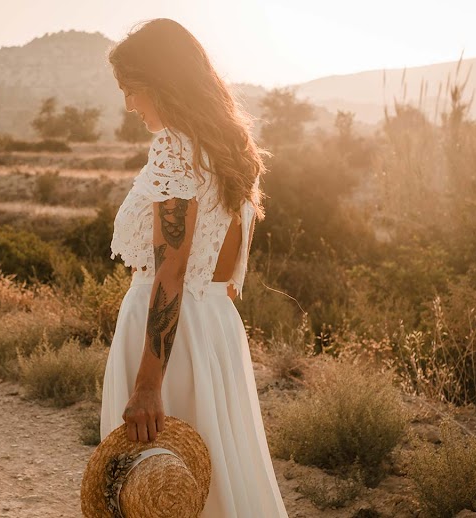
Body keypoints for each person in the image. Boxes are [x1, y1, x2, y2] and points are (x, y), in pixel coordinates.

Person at [99, 18, 290, 518]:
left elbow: (171, 273)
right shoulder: (232, 150)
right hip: (215, 331)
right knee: (212, 479)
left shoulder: (174, 148)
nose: (130, 105)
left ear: (159, 82)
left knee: (159, 489)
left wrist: (146, 385)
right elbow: (226, 277)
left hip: (168, 339)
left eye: (133, 90)